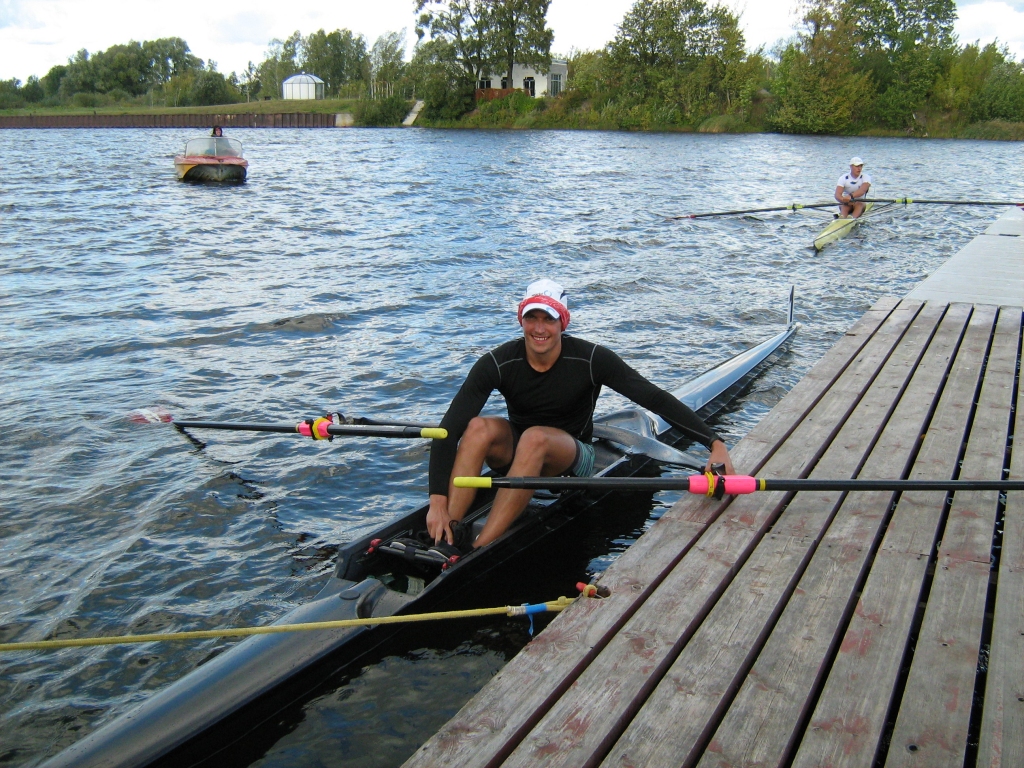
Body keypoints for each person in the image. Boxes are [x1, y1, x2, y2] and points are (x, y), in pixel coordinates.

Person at [425, 278, 735, 554]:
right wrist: (436, 499)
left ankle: (478, 549)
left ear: (563, 323)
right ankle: (447, 532)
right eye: (531, 318)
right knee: (478, 427)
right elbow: (447, 431)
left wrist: (714, 442)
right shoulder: (498, 362)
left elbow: (652, 397)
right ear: (521, 321)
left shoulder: (590, 359)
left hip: (574, 456)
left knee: (535, 437)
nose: (539, 328)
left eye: (548, 319)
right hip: (519, 451)